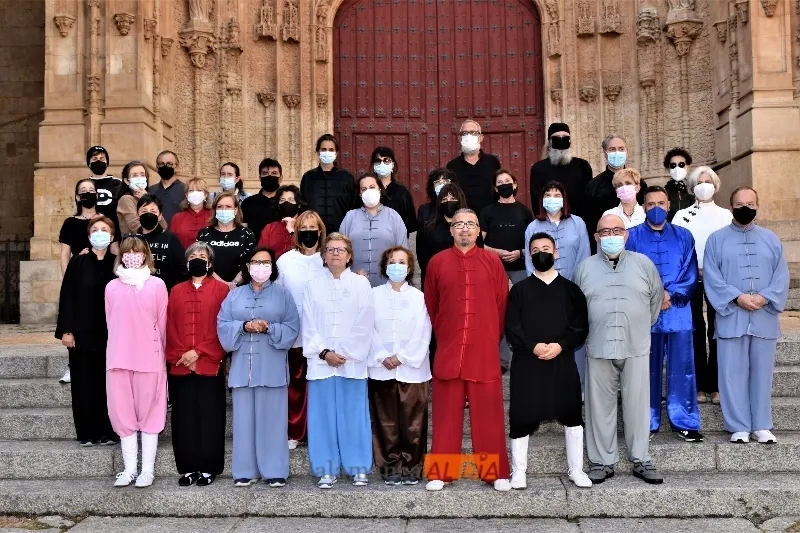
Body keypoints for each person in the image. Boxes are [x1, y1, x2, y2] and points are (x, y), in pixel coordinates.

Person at [424, 209, 511, 492]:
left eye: (470, 225)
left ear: (478, 231)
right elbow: (432, 306)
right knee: (445, 414)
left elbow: (501, 305)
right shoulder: (437, 262)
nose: (464, 229)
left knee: (489, 414)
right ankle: (441, 471)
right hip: (449, 349)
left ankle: (493, 472)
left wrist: (488, 337)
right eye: (459, 224)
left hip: (483, 349)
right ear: (450, 230)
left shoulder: (492, 261)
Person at [574, 214, 664, 485]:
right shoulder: (584, 268)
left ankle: (641, 459)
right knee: (599, 406)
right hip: (598, 346)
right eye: (605, 231)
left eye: (617, 230)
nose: (611, 235)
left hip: (635, 345)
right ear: (596, 237)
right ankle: (602, 462)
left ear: (625, 235)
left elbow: (655, 301)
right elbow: (576, 307)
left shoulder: (644, 264)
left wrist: (635, 323)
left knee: (637, 404)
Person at [704, 186, 790, 444]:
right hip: (732, 315)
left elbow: (781, 275)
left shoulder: (772, 239)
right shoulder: (716, 240)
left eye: (750, 204)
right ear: (730, 208)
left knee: (762, 372)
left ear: (758, 206)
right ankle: (738, 425)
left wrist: (766, 297)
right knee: (731, 373)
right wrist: (736, 296)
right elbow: (711, 275)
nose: (745, 208)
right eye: (740, 204)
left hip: (764, 316)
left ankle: (762, 424)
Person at [506, 232, 591, 489]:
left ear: (556, 253)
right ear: (530, 256)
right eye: (534, 249)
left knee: (572, 414)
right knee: (521, 414)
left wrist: (560, 345)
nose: (540, 252)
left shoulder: (571, 290)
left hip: (562, 361)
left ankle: (576, 469)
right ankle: (519, 471)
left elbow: (580, 326)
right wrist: (532, 346)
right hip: (527, 362)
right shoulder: (519, 290)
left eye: (545, 248)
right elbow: (512, 326)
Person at [625, 186, 703, 442]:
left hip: (678, 311)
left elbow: (690, 273)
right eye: (650, 204)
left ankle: (685, 420)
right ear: (643, 207)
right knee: (645, 368)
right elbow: (629, 272)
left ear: (669, 205)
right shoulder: (631, 236)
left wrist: (670, 295)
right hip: (645, 313)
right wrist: (655, 297)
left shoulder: (684, 235)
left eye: (660, 202)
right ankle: (646, 419)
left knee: (682, 368)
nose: (656, 208)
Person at [218, 247, 301, 487]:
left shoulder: (283, 295)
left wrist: (270, 328)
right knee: (243, 422)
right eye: (255, 262)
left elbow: (293, 328)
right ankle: (245, 470)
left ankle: (275, 470)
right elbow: (223, 325)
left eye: (265, 262)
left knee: (273, 423)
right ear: (247, 266)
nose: (260, 267)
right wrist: (243, 326)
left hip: (273, 368)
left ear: (272, 267)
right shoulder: (234, 295)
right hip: (243, 368)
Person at [302, 233, 375, 489]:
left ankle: (358, 467)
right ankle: (325, 469)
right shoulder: (312, 286)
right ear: (323, 255)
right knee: (322, 417)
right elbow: (308, 324)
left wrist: (343, 353)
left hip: (352, 363)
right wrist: (324, 353)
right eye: (331, 249)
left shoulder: (361, 285)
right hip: (321, 364)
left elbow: (365, 324)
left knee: (354, 415)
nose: (336, 253)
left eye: (341, 250)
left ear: (349, 255)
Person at [105, 236, 168, 488]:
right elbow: (111, 322)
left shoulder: (157, 285)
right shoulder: (111, 287)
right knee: (123, 414)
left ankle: (147, 470)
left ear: (146, 255)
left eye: (138, 251)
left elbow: (162, 323)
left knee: (151, 414)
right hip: (119, 359)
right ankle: (129, 468)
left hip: (149, 359)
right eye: (128, 251)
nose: (133, 255)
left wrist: (161, 355)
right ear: (121, 254)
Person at [165, 242, 229, 487]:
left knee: (211, 416)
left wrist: (199, 352)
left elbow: (222, 326)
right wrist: (183, 355)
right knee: (184, 418)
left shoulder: (222, 291)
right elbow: (169, 325)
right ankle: (188, 467)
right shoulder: (176, 290)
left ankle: (209, 468)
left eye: (202, 256)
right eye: (193, 256)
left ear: (210, 262)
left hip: (209, 363)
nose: (197, 259)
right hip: (181, 363)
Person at [368, 246, 432, 485]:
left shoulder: (418, 297)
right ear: (385, 266)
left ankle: (413, 468)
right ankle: (390, 468)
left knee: (413, 423)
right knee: (386, 422)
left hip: (412, 369)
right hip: (380, 367)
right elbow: (367, 328)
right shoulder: (373, 295)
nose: (396, 265)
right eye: (392, 261)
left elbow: (423, 330)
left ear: (409, 267)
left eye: (401, 262)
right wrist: (382, 355)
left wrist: (402, 356)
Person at [673, 166, 733, 404]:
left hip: (719, 279)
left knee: (717, 331)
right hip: (691, 279)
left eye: (708, 181)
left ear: (715, 184)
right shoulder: (682, 215)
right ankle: (699, 384)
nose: (704, 185)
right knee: (695, 329)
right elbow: (679, 248)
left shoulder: (726, 215)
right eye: (699, 182)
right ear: (692, 187)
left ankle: (716, 384)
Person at [55, 215, 117, 446]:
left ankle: (108, 430)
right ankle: (87, 432)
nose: (100, 233)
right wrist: (66, 330)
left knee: (108, 384)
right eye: (96, 229)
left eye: (105, 229)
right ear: (89, 235)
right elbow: (67, 296)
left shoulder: (117, 264)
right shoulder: (78, 263)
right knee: (83, 383)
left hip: (110, 334)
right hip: (81, 333)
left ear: (111, 236)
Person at [523, 181, 590, 384]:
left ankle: (577, 387)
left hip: (572, 291)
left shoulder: (578, 223)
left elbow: (584, 255)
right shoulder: (533, 227)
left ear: (564, 199)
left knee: (573, 339)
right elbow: (529, 261)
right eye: (548, 195)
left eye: (557, 194)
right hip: (543, 294)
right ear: (542, 200)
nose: (553, 198)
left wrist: (576, 289)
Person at [276, 210, 328, 449]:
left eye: (312, 227)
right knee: (296, 386)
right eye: (303, 227)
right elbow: (277, 295)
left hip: (323, 334)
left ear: (320, 231)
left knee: (320, 386)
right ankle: (295, 432)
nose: (308, 231)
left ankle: (319, 432)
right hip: (294, 333)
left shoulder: (329, 259)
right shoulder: (285, 261)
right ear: (297, 232)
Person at [480, 169, 534, 372]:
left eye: (507, 181)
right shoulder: (487, 211)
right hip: (495, 268)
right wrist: (497, 253)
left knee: (521, 310)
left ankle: (523, 352)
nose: (504, 184)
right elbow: (479, 242)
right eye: (500, 182)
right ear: (495, 188)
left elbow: (532, 241)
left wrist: (520, 252)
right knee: (497, 311)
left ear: (515, 184)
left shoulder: (524, 211)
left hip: (520, 267)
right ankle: (501, 360)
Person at [339, 173, 408, 287]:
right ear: (360, 194)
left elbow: (403, 251)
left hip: (387, 285)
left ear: (380, 190)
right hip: (354, 284)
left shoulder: (393, 216)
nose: (368, 191)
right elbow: (340, 251)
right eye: (364, 189)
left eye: (372, 187)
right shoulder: (350, 217)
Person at [585, 135, 647, 249]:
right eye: (612, 149)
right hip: (607, 244)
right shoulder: (594, 185)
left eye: (621, 149)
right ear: (605, 153)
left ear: (627, 151)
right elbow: (590, 221)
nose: (617, 152)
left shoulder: (640, 183)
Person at [529, 123, 593, 221]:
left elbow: (588, 198)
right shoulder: (538, 168)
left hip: (577, 223)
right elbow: (536, 201)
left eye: (565, 138)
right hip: (549, 223)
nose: (561, 141)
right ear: (550, 142)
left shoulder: (582, 166)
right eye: (557, 138)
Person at [196, 192, 257, 289]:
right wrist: (223, 284)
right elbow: (200, 261)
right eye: (219, 207)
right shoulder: (204, 234)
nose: (224, 210)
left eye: (228, 206)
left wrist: (234, 283)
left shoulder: (247, 234)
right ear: (215, 210)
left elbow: (251, 261)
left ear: (235, 210)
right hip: (210, 287)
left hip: (240, 288)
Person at [300, 134, 357, 233]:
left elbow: (354, 208)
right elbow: (303, 207)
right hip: (313, 235)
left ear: (337, 153)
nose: (327, 152)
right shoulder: (308, 177)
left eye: (331, 150)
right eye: (324, 149)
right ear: (318, 152)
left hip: (340, 235)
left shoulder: (346, 178)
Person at [416, 182, 468, 286]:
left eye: (453, 198)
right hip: (437, 278)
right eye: (445, 199)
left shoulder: (470, 226)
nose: (449, 202)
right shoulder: (430, 228)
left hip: (464, 278)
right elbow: (423, 256)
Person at [446, 119, 501, 215]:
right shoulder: (452, 166)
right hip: (463, 219)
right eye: (465, 133)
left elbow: (499, 188)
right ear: (460, 138)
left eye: (473, 132)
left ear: (481, 138)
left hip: (490, 217)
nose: (469, 135)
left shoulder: (492, 162)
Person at [137, 195, 186, 291]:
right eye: (144, 211)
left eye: (153, 211)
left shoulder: (170, 238)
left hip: (166, 292)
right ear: (137, 215)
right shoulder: (132, 240)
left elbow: (182, 270)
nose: (148, 214)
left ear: (160, 216)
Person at [370, 146, 417, 235]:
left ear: (393, 164)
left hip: (396, 241)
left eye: (386, 160)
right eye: (378, 161)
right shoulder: (368, 189)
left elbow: (411, 223)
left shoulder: (402, 191)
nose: (382, 164)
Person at [59, 179, 99, 275]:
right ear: (77, 197)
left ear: (97, 195)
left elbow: (115, 250)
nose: (88, 193)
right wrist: (67, 280)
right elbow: (65, 254)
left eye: (92, 190)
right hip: (79, 272)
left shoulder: (107, 221)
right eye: (83, 191)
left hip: (103, 272)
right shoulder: (70, 223)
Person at [118, 161, 167, 236]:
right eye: (134, 175)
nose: (139, 178)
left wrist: (147, 199)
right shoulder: (126, 199)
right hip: (134, 245)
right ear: (126, 181)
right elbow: (136, 227)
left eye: (142, 175)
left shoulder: (149, 197)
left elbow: (164, 227)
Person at [258, 184, 306, 260]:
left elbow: (307, 251)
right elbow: (261, 254)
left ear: (299, 204)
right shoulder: (269, 228)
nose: (286, 203)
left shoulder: (306, 226)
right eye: (282, 200)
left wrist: (292, 231)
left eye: (291, 200)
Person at [241, 158, 283, 239]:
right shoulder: (248, 203)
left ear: (280, 178)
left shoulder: (286, 203)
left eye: (274, 173)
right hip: (255, 250)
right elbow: (243, 231)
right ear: (260, 178)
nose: (269, 176)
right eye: (265, 173)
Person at [86, 145, 124, 234]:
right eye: (94, 159)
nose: (98, 161)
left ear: (107, 162)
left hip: (114, 233)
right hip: (90, 232)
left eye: (102, 159)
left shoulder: (119, 184)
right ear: (89, 163)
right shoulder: (84, 185)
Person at [170, 178, 213, 250]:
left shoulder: (213, 215)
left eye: (199, 190)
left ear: (205, 194)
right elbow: (172, 243)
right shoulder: (177, 218)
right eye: (191, 190)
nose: (195, 193)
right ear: (186, 195)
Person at [148, 150, 186, 224]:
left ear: (176, 166)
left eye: (169, 164)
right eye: (161, 164)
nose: (165, 166)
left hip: (177, 234)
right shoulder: (150, 190)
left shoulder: (186, 190)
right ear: (157, 166)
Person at [663, 147, 694, 221]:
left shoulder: (694, 191)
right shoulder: (664, 193)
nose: (677, 168)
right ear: (668, 169)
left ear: (688, 167)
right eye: (673, 165)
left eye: (681, 164)